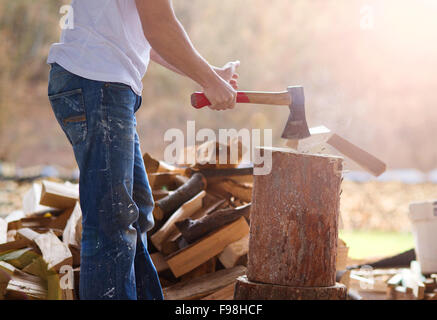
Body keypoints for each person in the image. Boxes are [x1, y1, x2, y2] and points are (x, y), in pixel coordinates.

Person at [47, 0, 240, 300]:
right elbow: (159, 26)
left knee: (134, 211)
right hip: (98, 84)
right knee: (112, 222)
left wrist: (209, 73)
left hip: (100, 83)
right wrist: (209, 81)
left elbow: (146, 38)